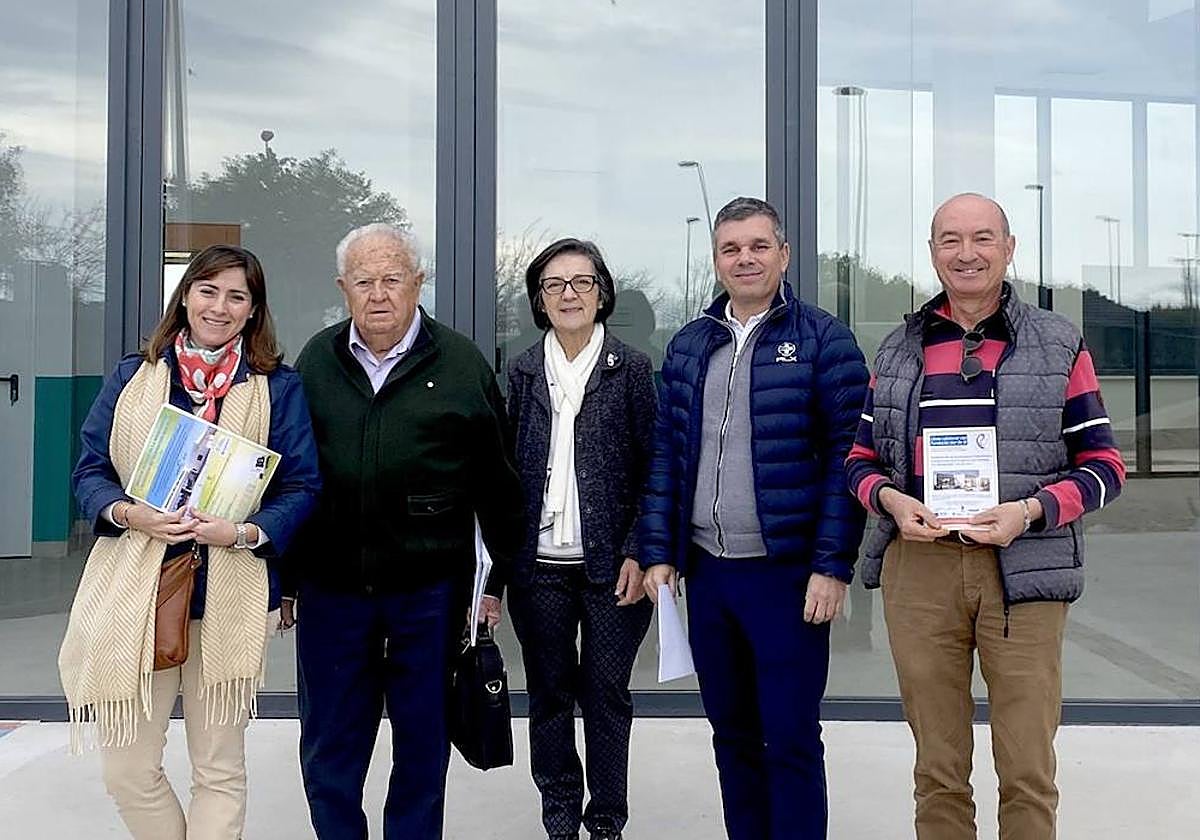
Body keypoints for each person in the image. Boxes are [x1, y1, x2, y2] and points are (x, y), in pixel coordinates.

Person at [846, 192, 1126, 839]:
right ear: (932, 252)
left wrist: (1030, 511)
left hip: (1023, 574)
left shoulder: (1058, 343)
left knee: (1027, 769)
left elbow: (1105, 467)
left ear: (1008, 249)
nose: (965, 253)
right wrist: (890, 500)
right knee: (937, 769)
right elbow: (859, 461)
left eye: (981, 238)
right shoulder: (898, 349)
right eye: (950, 239)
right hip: (921, 569)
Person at [59, 244, 321, 840]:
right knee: (127, 770)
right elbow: (89, 473)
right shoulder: (135, 375)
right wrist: (132, 514)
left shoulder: (277, 387)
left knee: (218, 769)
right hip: (139, 595)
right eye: (208, 291)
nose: (219, 307)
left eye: (236, 296)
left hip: (230, 595)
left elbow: (303, 486)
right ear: (185, 297)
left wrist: (243, 532)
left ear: (253, 310)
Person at [640, 197, 869, 839]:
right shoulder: (690, 345)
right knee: (732, 734)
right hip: (710, 575)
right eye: (731, 248)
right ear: (716, 261)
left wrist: (832, 566)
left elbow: (849, 460)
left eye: (759, 246)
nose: (745, 259)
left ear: (784, 255)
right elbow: (666, 455)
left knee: (790, 737)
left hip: (788, 576)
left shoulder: (825, 340)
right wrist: (659, 552)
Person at [289, 222, 525, 839]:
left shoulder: (461, 363)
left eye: (392, 279)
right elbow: (286, 474)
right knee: (330, 746)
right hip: (333, 591)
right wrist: (283, 579)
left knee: (423, 744)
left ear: (419, 283)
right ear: (343, 288)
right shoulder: (315, 361)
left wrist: (493, 583)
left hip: (429, 593)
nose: (378, 295)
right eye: (363, 281)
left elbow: (499, 485)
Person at [506, 238, 657, 840]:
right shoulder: (521, 372)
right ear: (539, 300)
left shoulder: (632, 369)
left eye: (582, 282)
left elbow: (655, 467)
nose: (569, 294)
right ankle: (561, 819)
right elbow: (502, 475)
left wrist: (640, 549)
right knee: (548, 695)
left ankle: (607, 821)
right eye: (554, 284)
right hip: (537, 566)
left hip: (612, 568)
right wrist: (491, 576)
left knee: (605, 694)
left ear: (601, 294)